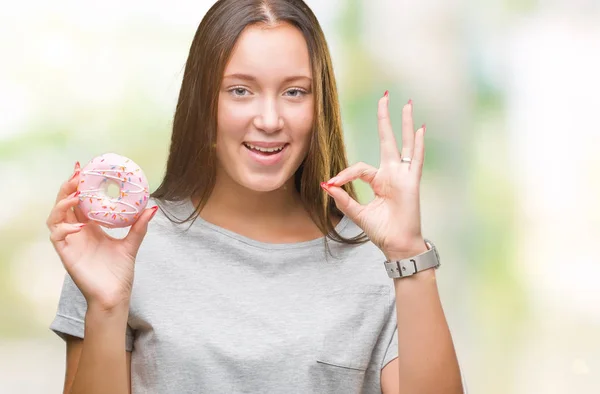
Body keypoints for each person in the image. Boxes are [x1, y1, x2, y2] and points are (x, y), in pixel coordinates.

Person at [47, 0, 465, 393]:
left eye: (295, 91)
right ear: (202, 101)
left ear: (319, 106)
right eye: (240, 90)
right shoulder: (122, 250)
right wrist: (105, 306)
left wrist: (409, 255)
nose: (269, 120)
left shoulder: (381, 258)